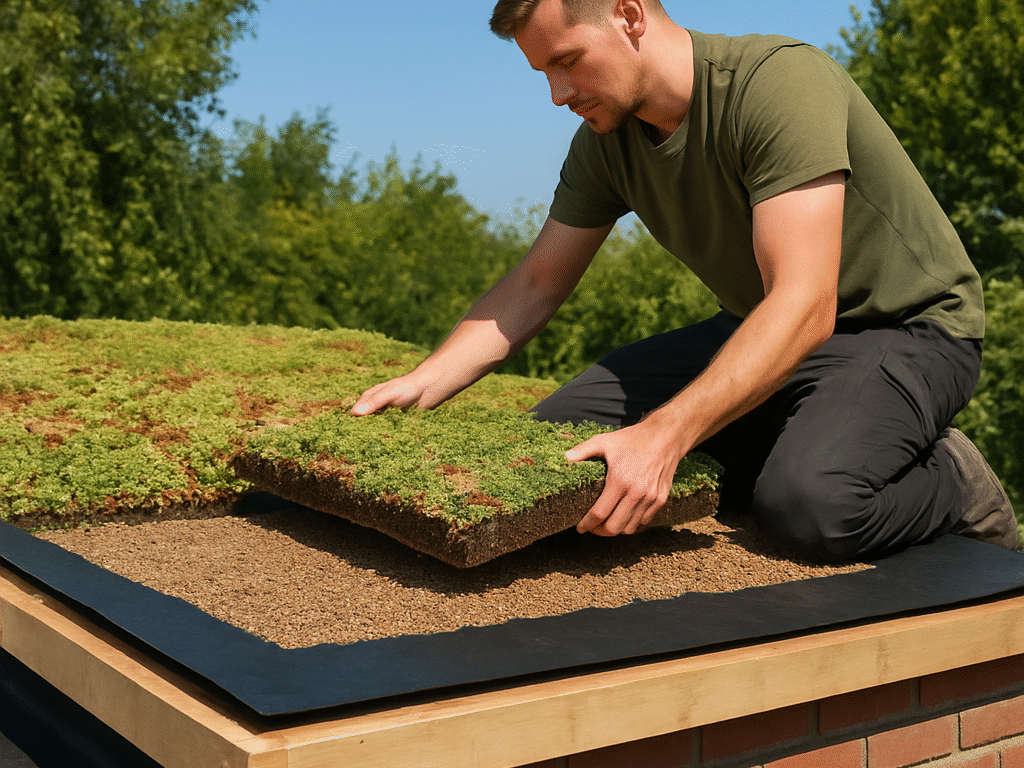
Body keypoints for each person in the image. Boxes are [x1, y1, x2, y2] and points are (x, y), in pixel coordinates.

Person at [352, 0, 1019, 559]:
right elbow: (536, 283)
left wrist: (663, 435)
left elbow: (807, 301)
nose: (558, 94)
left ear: (629, 15)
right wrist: (422, 381)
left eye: (567, 61)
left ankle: (953, 479)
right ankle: (794, 433)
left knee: (808, 506)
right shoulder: (606, 141)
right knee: (561, 449)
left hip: (903, 329)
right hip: (763, 325)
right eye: (542, 72)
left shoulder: (777, 83)